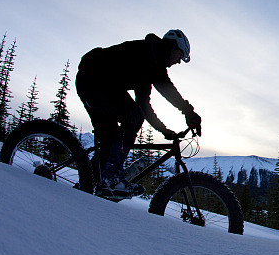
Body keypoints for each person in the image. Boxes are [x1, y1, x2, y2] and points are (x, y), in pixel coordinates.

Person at [75, 29, 202, 198]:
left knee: (110, 137)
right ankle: (111, 177)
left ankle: (90, 184)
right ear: (172, 47)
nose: (178, 61)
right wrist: (184, 115)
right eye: (180, 55)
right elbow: (161, 91)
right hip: (94, 81)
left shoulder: (152, 61)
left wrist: (168, 127)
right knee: (130, 119)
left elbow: (147, 103)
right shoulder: (148, 55)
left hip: (99, 84)